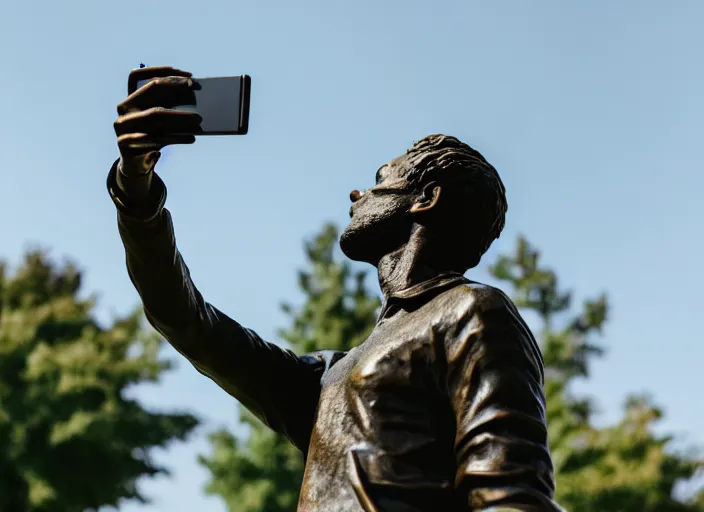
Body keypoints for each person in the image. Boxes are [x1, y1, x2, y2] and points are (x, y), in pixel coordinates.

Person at [108, 65, 564, 512]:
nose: (357, 194)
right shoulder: (327, 380)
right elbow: (184, 319)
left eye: (380, 181)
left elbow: (510, 492)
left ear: (427, 199)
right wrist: (136, 184)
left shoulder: (473, 311)